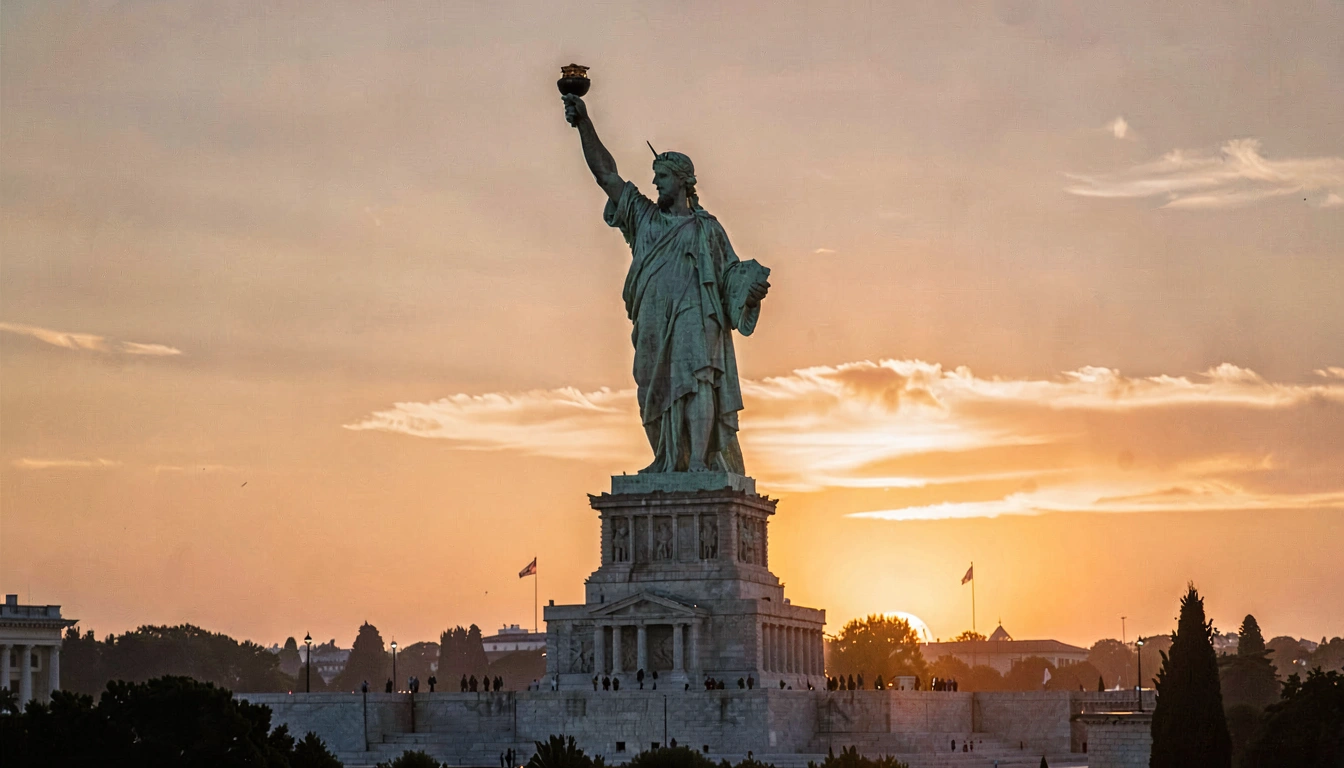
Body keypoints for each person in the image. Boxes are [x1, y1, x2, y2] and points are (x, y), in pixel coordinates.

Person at [561, 92, 771, 475]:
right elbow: (605, 175)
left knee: (700, 378)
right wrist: (584, 124)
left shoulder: (707, 228)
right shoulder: (643, 219)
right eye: (654, 178)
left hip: (696, 315)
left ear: (682, 181)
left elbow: (729, 280)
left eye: (661, 177)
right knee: (654, 389)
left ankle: (697, 465)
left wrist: (750, 291)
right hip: (654, 322)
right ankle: (667, 459)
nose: (655, 183)